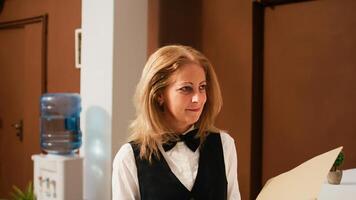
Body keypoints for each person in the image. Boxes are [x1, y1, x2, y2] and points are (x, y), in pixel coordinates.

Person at [112, 45, 241, 200]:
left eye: (202, 87)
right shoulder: (128, 158)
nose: (198, 98)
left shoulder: (224, 145)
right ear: (159, 95)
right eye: (186, 89)